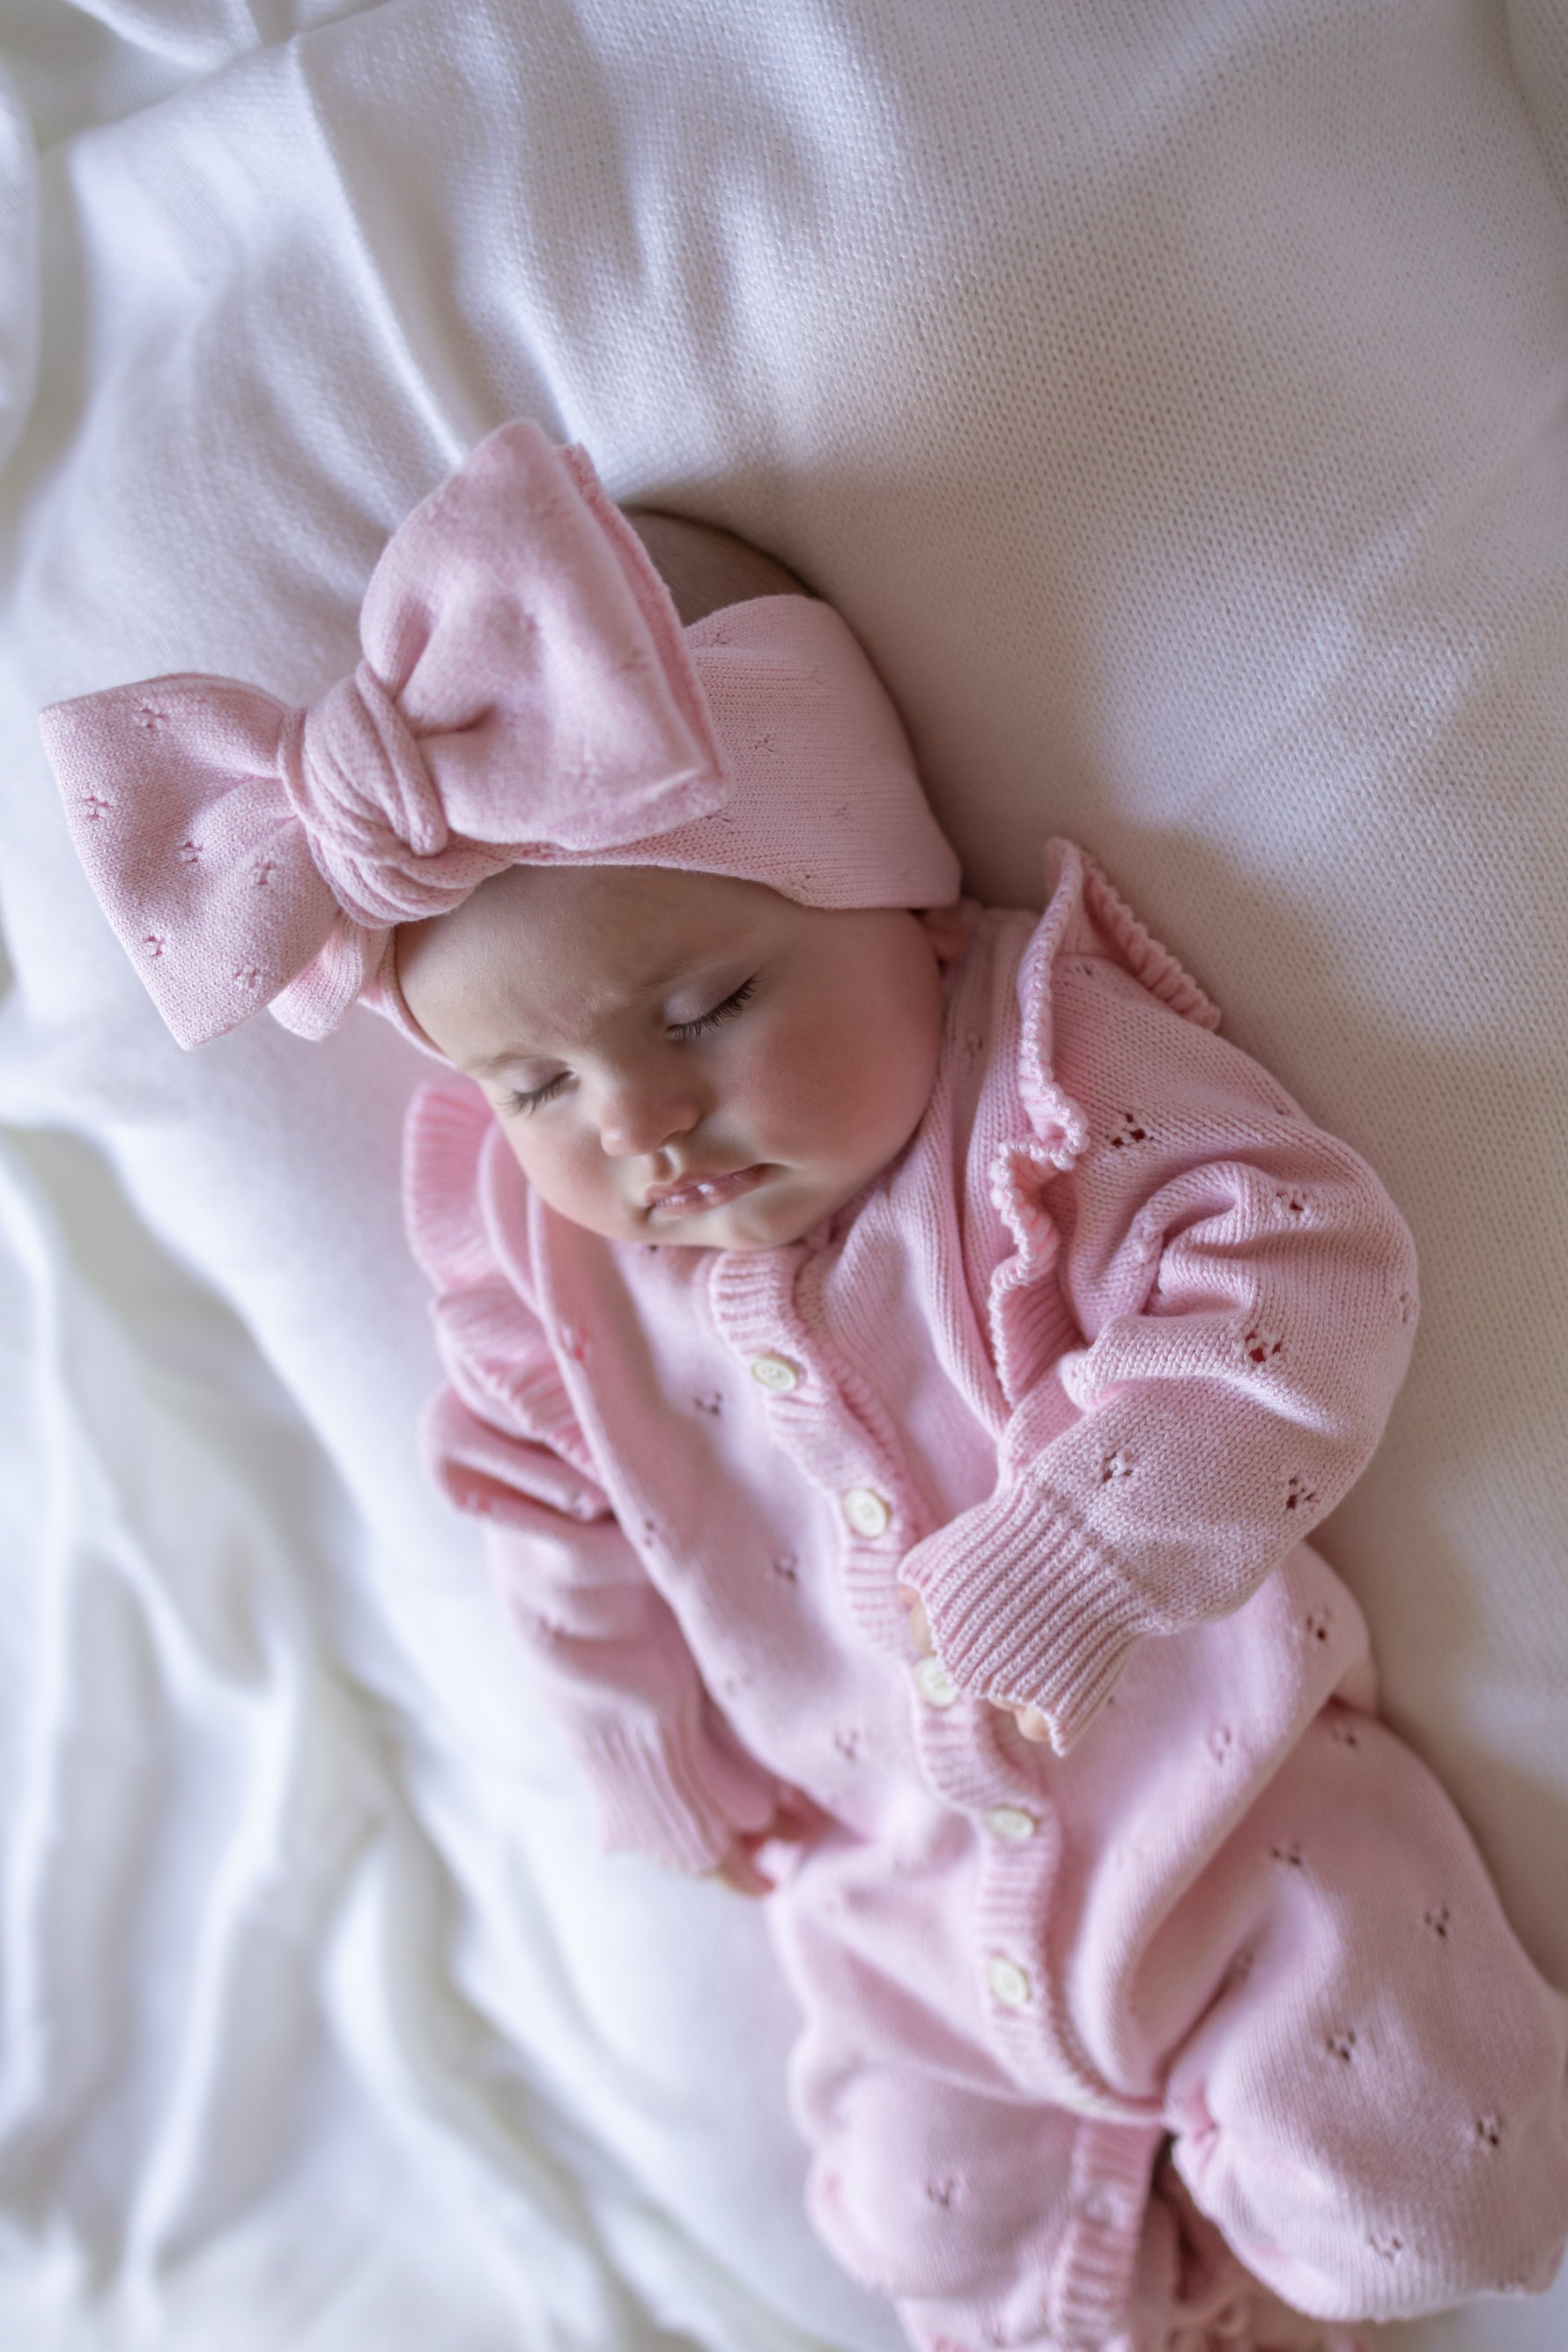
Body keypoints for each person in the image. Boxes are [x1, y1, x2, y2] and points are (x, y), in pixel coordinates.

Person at [39, 420, 1568, 2352]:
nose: (643, 1121)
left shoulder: (1039, 1084)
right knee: (927, 2243)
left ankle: (1307, 2279)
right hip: (890, 1899)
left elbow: (1301, 1268)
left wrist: (1093, 1539)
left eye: (705, 1008)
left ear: (910, 907)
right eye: (536, 1088)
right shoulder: (543, 1270)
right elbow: (540, 1504)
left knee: (1428, 2188)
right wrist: (640, 1733)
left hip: (1230, 1802)